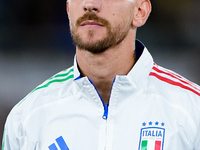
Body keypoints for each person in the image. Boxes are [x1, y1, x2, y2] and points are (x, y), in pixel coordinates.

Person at [2, 0, 200, 149]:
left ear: (140, 11)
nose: (90, 4)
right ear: (68, 8)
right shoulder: (27, 117)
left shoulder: (192, 109)